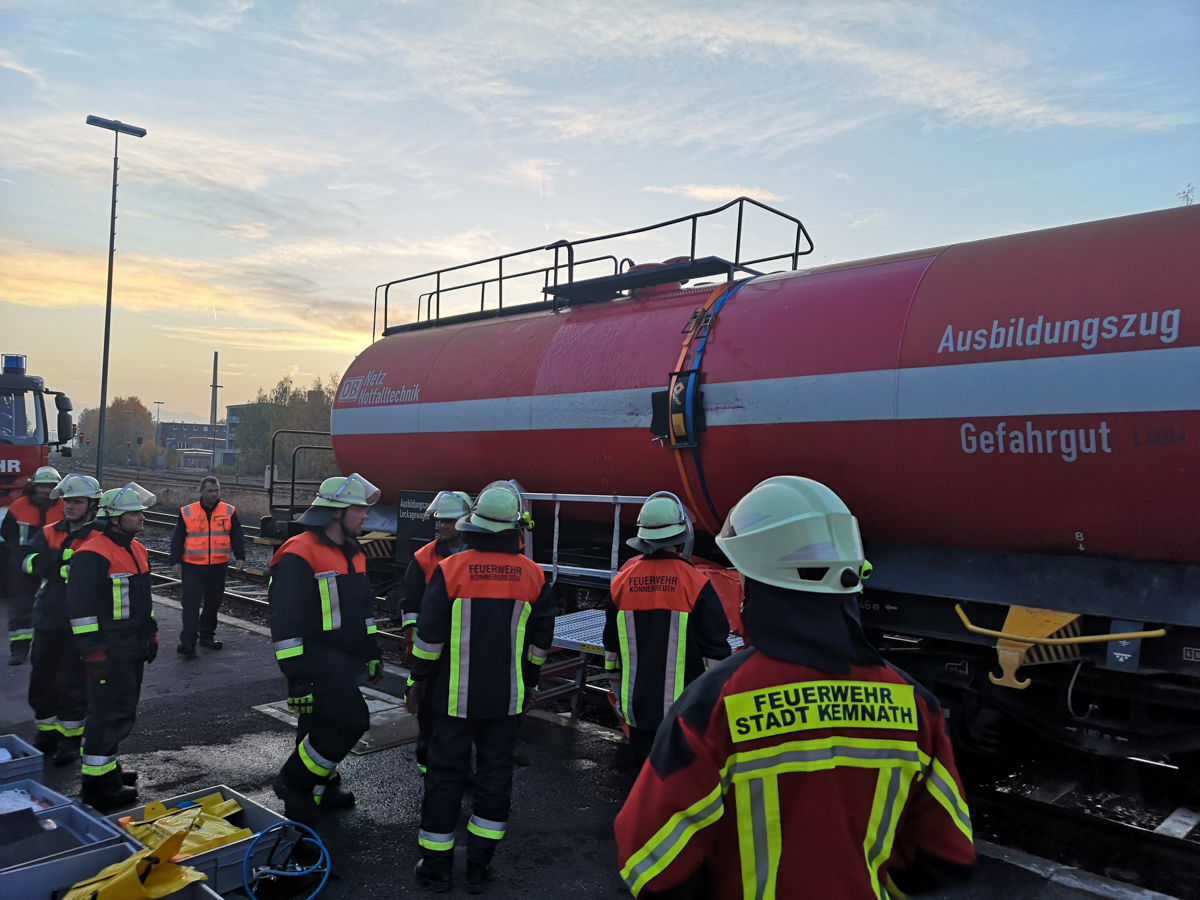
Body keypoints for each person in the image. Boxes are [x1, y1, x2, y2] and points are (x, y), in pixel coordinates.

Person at [615, 476, 975, 899]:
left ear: (756, 581)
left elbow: (649, 863)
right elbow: (948, 857)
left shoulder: (712, 707)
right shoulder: (916, 707)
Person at [408, 481, 555, 894]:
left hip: (453, 701)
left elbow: (428, 636)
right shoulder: (533, 575)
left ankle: (435, 869)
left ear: (473, 524)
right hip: (505, 701)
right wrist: (528, 685)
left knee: (444, 777)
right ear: (515, 528)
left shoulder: (450, 569)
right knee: (494, 778)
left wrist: (418, 680)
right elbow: (540, 643)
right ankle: (478, 867)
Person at [268, 474, 385, 826]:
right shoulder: (299, 553)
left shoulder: (354, 552)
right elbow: (285, 625)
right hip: (315, 660)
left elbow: (364, 611)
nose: (365, 517)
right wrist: (298, 679)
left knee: (318, 725)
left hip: (344, 659)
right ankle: (294, 783)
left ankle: (323, 788)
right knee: (352, 720)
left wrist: (373, 650)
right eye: (359, 509)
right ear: (336, 513)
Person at [603, 492, 732, 769]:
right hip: (686, 712)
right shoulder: (695, 584)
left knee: (643, 779)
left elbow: (611, 651)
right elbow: (716, 656)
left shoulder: (620, 583)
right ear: (682, 536)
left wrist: (619, 698)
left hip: (636, 707)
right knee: (679, 786)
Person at [66, 482, 159, 809]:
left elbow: (143, 601)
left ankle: (107, 770)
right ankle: (97, 786)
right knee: (106, 714)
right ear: (115, 518)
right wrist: (92, 650)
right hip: (109, 650)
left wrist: (151, 632)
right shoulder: (91, 553)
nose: (141, 517)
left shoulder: (137, 549)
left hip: (130, 647)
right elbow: (80, 609)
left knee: (122, 711)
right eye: (134, 513)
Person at [22, 474, 102, 765]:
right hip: (46, 619)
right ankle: (45, 734)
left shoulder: (98, 537)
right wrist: (57, 566)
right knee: (41, 680)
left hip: (77, 623)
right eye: (67, 501)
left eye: (77, 501)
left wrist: (53, 566)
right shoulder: (48, 532)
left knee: (72, 684)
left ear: (92, 505)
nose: (69, 506)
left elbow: (87, 573)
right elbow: (25, 560)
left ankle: (70, 741)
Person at [399, 490, 472, 775]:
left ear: (466, 521)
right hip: (432, 648)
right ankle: (426, 760)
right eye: (440, 521)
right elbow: (411, 603)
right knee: (428, 706)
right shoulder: (424, 557)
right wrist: (412, 638)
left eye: (449, 521)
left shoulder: (477, 555)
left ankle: (460, 764)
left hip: (465, 647)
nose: (441, 526)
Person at [169, 476, 246, 657]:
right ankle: (188, 642)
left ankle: (207, 637)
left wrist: (240, 556)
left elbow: (237, 535)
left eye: (216, 490)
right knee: (190, 605)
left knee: (213, 603)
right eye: (210, 490)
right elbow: (178, 538)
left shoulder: (228, 511)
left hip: (218, 566)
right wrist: (175, 561)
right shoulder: (188, 512)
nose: (214, 494)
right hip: (192, 566)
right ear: (201, 491)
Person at [2, 466, 64, 664]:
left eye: (50, 486)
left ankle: (52, 650)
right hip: (22, 565)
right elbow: (8, 533)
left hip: (54, 563)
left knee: (56, 606)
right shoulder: (18, 506)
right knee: (21, 607)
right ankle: (19, 650)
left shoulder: (64, 507)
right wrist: (17, 553)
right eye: (42, 486)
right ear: (34, 487)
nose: (46, 491)